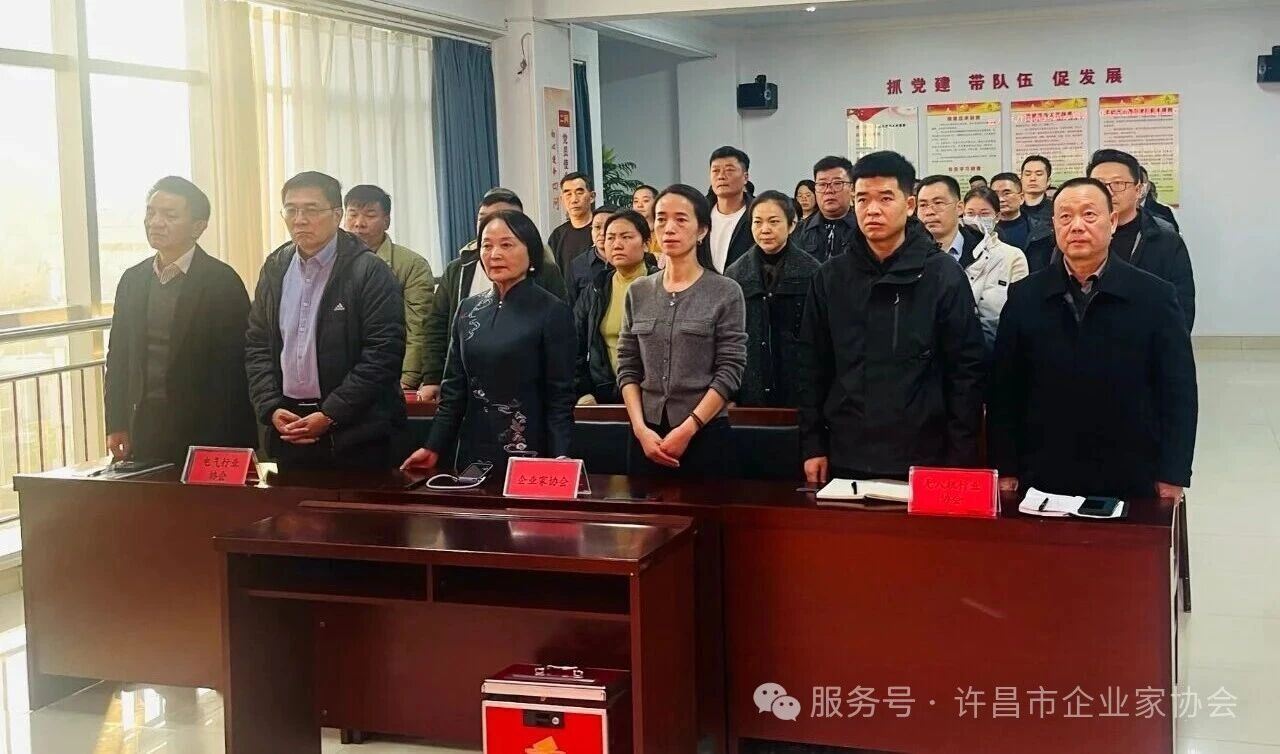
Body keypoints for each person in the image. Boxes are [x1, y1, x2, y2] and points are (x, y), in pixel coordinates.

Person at [988, 177, 1197, 501]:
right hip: (1045, 469)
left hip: (1130, 469)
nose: (1076, 226)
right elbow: (1005, 389)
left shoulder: (1154, 296)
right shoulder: (1025, 296)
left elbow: (1178, 392)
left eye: (1089, 214)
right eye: (1065, 216)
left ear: (1112, 221)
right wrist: (1006, 467)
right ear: (1054, 225)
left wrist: (1173, 472)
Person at [799, 151, 985, 484]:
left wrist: (961, 455)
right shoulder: (830, 277)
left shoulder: (942, 274)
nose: (872, 209)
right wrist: (813, 444)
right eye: (862, 199)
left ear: (909, 205)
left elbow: (965, 372)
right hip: (847, 452)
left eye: (885, 198)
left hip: (925, 453)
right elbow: (812, 365)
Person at [245, 171, 407, 470]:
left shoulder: (369, 271)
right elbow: (257, 345)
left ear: (337, 215)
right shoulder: (275, 268)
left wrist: (330, 414)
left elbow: (383, 354)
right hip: (289, 425)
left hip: (358, 434)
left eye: (311, 210)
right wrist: (271, 407)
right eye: (291, 210)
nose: (300, 220)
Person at [402, 211, 576, 472]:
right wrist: (433, 446)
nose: (494, 254)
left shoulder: (552, 311)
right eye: (486, 245)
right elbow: (454, 390)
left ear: (531, 253)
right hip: (473, 451)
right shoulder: (468, 309)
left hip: (530, 451)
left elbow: (560, 397)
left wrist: (562, 457)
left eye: (506, 245)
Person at [104, 176, 255, 466]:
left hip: (206, 429)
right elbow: (119, 356)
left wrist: (228, 440)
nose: (155, 222)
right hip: (145, 424)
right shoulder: (133, 280)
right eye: (151, 212)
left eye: (169, 215)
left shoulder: (221, 281)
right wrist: (116, 422)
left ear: (198, 227)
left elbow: (234, 369)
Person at [617, 184, 747, 476]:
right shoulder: (638, 291)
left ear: (702, 230)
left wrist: (689, 428)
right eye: (661, 219)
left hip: (705, 434)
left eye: (681, 219)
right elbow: (627, 366)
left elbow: (730, 370)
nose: (669, 228)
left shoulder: (725, 292)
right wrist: (639, 429)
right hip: (646, 436)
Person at [418, 189, 566, 402]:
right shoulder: (458, 271)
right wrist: (432, 377)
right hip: (465, 388)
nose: (495, 254)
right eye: (483, 219)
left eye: (506, 243)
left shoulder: (546, 273)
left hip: (526, 393)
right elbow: (436, 326)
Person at [725, 190, 820, 408]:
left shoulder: (813, 271)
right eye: (757, 222)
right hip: (749, 389)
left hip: (799, 388)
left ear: (792, 224)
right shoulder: (735, 273)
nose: (765, 229)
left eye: (774, 221)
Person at [1088, 149, 1195, 331]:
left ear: (1138, 190)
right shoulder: (1075, 235)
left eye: (1118, 183)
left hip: (1146, 340)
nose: (1108, 191)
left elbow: (1182, 303)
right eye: (1099, 184)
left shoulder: (1165, 238)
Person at [342, 185, 435, 391]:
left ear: (387, 221)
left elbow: (418, 326)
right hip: (340, 378)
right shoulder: (330, 262)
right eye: (353, 214)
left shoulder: (412, 265)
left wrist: (408, 377)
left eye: (370, 215)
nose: (359, 223)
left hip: (390, 374)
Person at [574, 210, 660, 405]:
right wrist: (583, 390)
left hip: (652, 395)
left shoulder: (661, 285)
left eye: (626, 237)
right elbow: (575, 343)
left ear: (646, 243)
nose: (617, 244)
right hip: (604, 395)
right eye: (610, 238)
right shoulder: (596, 288)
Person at [960, 186, 1030, 349]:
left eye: (984, 214)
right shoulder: (953, 252)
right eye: (970, 213)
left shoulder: (1013, 256)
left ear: (997, 216)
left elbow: (1020, 309)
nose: (976, 219)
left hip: (999, 345)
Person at [795, 155, 860, 263]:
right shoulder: (800, 231)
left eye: (837, 183)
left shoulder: (863, 229)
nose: (828, 190)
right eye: (822, 184)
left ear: (852, 188)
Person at [708, 146, 754, 272]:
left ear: (745, 177)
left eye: (729, 170)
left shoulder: (756, 214)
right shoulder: (699, 214)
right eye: (715, 171)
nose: (721, 176)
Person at [566, 205, 616, 310]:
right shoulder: (578, 265)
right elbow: (571, 305)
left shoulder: (629, 260)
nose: (602, 233)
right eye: (597, 227)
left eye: (608, 227)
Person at [548, 172, 596, 275]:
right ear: (562, 199)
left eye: (579, 193)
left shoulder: (602, 230)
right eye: (568, 194)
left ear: (592, 196)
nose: (574, 200)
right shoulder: (557, 235)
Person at [990, 172, 1037, 250]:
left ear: (1021, 198)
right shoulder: (984, 228)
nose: (1000, 199)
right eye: (995, 195)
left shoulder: (1038, 229)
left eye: (1006, 193)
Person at [1140, 166, 1180, 232]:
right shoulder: (1122, 210)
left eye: (1142, 182)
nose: (1138, 186)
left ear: (1148, 186)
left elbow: (1173, 235)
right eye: (1135, 182)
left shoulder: (1163, 212)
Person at [1019, 155, 1053, 223]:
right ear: (1021, 179)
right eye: (1028, 174)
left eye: (1039, 174)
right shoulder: (1012, 209)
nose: (1032, 178)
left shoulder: (1055, 210)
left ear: (1048, 181)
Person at [632, 184, 661, 257]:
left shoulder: (664, 230)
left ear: (657, 203)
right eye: (636, 201)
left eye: (645, 201)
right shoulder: (629, 231)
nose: (639, 205)